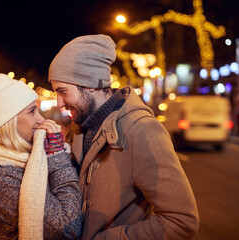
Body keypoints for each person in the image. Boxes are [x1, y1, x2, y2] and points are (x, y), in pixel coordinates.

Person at [48, 34, 199, 239]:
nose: (59, 102)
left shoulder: (142, 130)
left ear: (90, 83)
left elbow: (181, 221)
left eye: (63, 91)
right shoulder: (79, 127)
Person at [0, 73, 82, 240]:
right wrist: (56, 155)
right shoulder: (0, 178)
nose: (40, 119)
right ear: (8, 122)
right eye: (32, 111)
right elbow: (68, 228)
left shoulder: (27, 158)